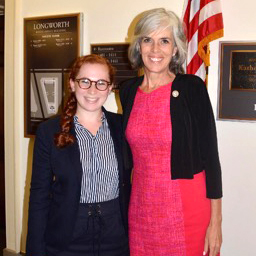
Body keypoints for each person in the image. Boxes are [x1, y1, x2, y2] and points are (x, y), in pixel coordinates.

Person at [119, 8, 222, 256]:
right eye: (148, 40)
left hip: (187, 206)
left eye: (164, 41)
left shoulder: (191, 88)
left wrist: (216, 222)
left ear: (175, 49)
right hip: (141, 209)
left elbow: (211, 157)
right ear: (139, 46)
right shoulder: (128, 90)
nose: (155, 49)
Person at [26, 54, 130, 256]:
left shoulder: (122, 127)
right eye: (85, 82)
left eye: (101, 83)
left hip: (115, 235)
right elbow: (39, 195)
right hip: (67, 237)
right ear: (72, 84)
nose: (92, 90)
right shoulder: (49, 131)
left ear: (110, 88)